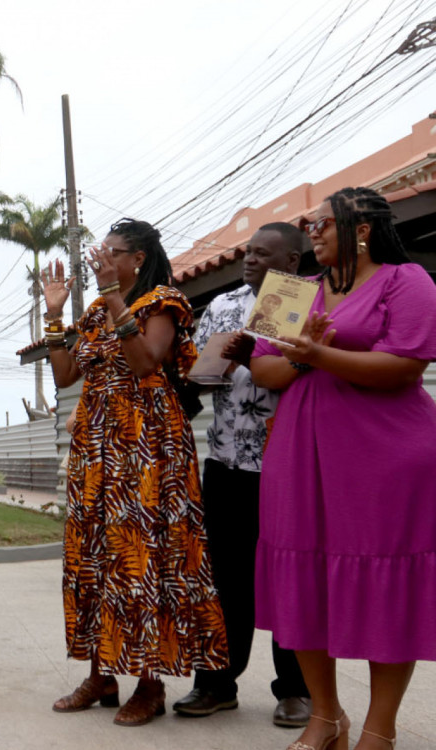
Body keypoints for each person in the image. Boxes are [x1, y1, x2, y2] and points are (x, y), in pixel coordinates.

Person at [249, 187, 436, 750]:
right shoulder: (289, 290)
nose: (312, 233)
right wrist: (301, 359)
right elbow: (264, 372)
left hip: (385, 454)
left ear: (362, 229)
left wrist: (316, 355)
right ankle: (325, 716)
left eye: (321, 223)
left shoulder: (408, 281)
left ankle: (380, 729)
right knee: (301, 574)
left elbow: (405, 365)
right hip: (300, 451)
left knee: (385, 581)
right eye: (310, 224)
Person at [42, 218, 227, 726]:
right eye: (99, 253)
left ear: (137, 259)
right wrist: (54, 316)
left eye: (110, 253)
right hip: (96, 445)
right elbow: (65, 375)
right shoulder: (95, 311)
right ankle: (101, 674)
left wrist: (113, 299)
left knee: (145, 556)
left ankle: (150, 684)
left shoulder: (163, 302)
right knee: (96, 554)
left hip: (148, 442)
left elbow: (146, 362)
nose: (98, 260)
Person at [171, 223, 310, 726]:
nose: (249, 259)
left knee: (288, 579)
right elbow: (198, 380)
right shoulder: (222, 306)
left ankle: (296, 689)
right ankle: (216, 683)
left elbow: (305, 377)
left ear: (291, 262)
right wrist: (204, 376)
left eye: (263, 253)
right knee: (224, 579)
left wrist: (253, 355)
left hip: (284, 466)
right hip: (226, 464)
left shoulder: (304, 304)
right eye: (248, 252)